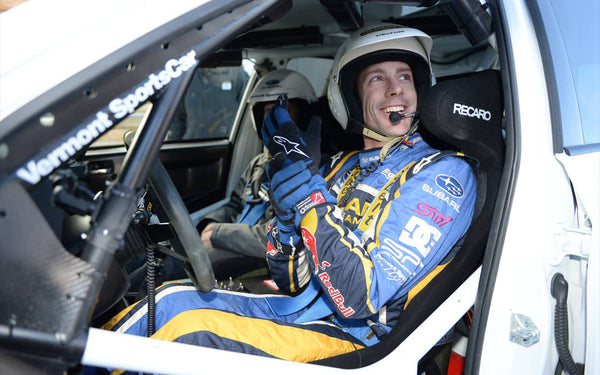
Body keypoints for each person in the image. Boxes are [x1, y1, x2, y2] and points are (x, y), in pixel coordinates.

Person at [103, 23, 477, 363]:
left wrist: (311, 201)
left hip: (357, 337)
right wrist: (284, 227)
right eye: (377, 78)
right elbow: (294, 280)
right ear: (349, 97)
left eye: (405, 76)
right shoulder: (339, 166)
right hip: (303, 308)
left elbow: (360, 298)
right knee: (169, 300)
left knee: (179, 327)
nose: (395, 89)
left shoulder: (445, 175)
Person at [196, 69, 319, 268]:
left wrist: (220, 234)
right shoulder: (259, 163)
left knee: (191, 261)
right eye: (268, 112)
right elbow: (235, 204)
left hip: (267, 257)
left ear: (304, 116)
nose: (276, 120)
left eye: (286, 112)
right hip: (235, 241)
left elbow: (289, 232)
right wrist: (209, 224)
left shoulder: (312, 171)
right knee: (164, 252)